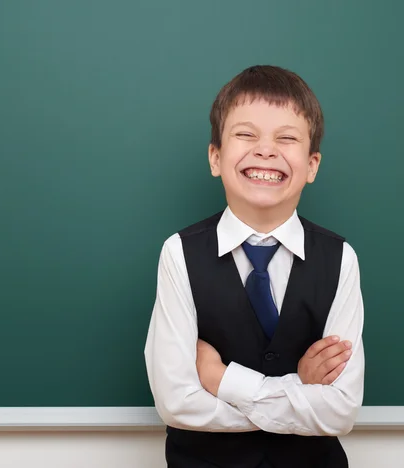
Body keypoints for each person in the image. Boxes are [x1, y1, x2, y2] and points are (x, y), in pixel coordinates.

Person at [145, 65, 365, 468]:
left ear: (312, 165)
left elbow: (339, 411)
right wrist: (299, 392)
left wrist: (220, 379)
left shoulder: (340, 258)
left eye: (287, 138)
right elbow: (176, 403)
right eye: (246, 134)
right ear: (215, 157)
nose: (266, 150)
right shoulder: (179, 253)